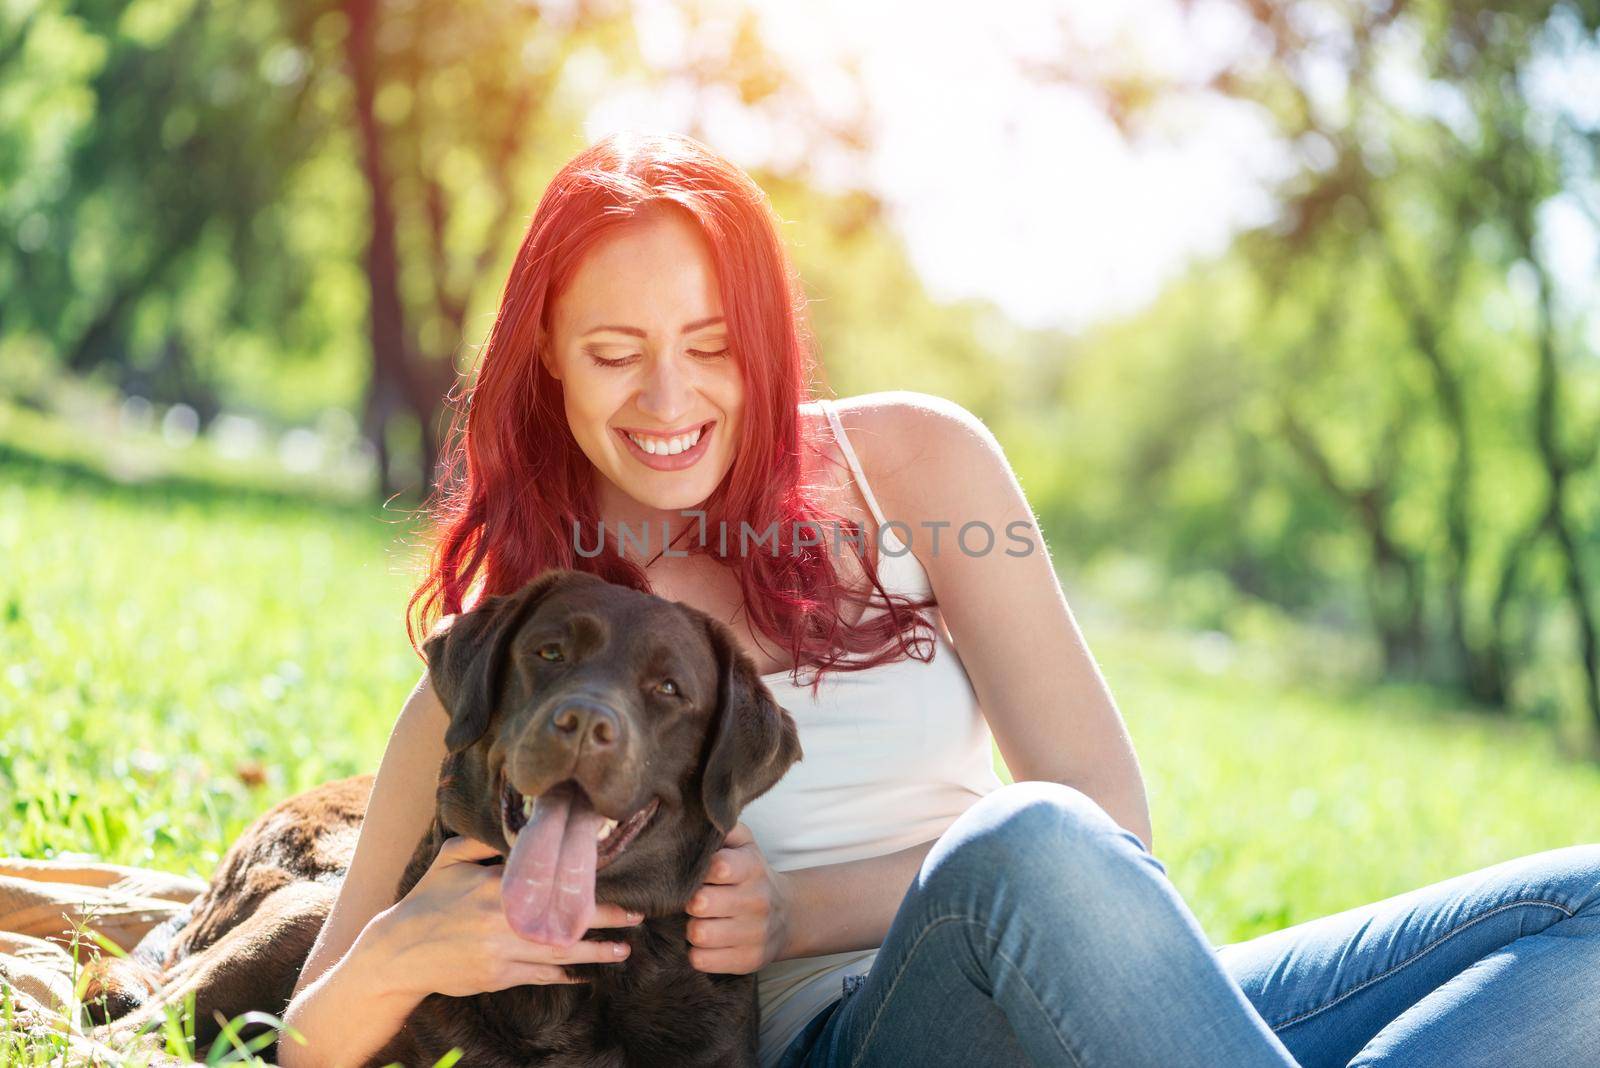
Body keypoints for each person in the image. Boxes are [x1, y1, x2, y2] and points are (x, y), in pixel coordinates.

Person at [277, 131, 1600, 1068]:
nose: (669, 401)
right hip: (846, 1040)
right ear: (550, 367)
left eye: (709, 347)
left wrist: (807, 907)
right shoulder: (542, 651)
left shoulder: (917, 463)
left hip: (1093, 986)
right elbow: (311, 1028)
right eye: (615, 354)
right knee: (1018, 850)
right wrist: (405, 950)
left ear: (766, 339)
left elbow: (1111, 821)